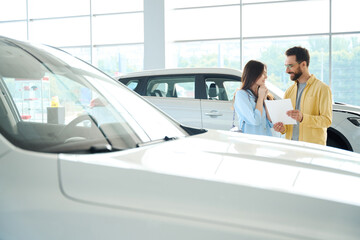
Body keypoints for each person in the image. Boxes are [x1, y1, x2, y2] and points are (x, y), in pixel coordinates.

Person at [273, 46, 332, 145]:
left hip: (312, 148)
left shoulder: (322, 89)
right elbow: (287, 123)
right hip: (291, 146)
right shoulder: (289, 91)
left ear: (303, 64)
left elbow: (327, 120)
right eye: (286, 66)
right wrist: (282, 128)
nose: (287, 71)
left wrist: (303, 118)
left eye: (290, 66)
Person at [234, 60, 273, 136]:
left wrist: (264, 99)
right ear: (253, 74)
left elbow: (271, 122)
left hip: (267, 139)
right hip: (252, 142)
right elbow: (255, 121)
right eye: (263, 74)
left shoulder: (261, 93)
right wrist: (260, 98)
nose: (266, 77)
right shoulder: (241, 95)